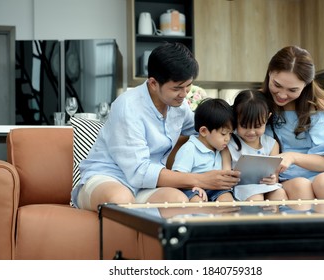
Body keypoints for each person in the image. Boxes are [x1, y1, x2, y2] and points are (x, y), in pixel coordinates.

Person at [70, 42, 240, 211]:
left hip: (146, 186)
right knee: (121, 200)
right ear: (153, 83)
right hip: (109, 177)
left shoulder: (179, 107)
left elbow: (206, 128)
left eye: (188, 85)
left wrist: (244, 129)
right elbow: (139, 171)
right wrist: (201, 179)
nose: (184, 93)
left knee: (179, 201)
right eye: (177, 88)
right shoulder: (127, 107)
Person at [261, 45, 324, 200]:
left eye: (292, 90)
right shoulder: (257, 105)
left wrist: (292, 157)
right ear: (269, 73)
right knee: (301, 185)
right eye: (277, 85)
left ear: (305, 86)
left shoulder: (317, 109)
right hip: (289, 181)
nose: (282, 95)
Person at [222, 90, 288, 201]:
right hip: (241, 189)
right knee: (256, 198)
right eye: (245, 126)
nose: (252, 132)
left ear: (267, 118)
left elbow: (275, 176)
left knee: (279, 194)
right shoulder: (228, 144)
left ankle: (277, 218)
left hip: (266, 186)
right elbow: (225, 175)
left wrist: (272, 179)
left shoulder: (272, 144)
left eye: (257, 126)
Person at [172, 98, 235, 202]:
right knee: (197, 202)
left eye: (230, 133)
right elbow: (178, 177)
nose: (228, 138)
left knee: (227, 200)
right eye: (223, 133)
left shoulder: (220, 148)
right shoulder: (190, 148)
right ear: (204, 131)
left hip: (215, 189)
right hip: (192, 188)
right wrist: (195, 185)